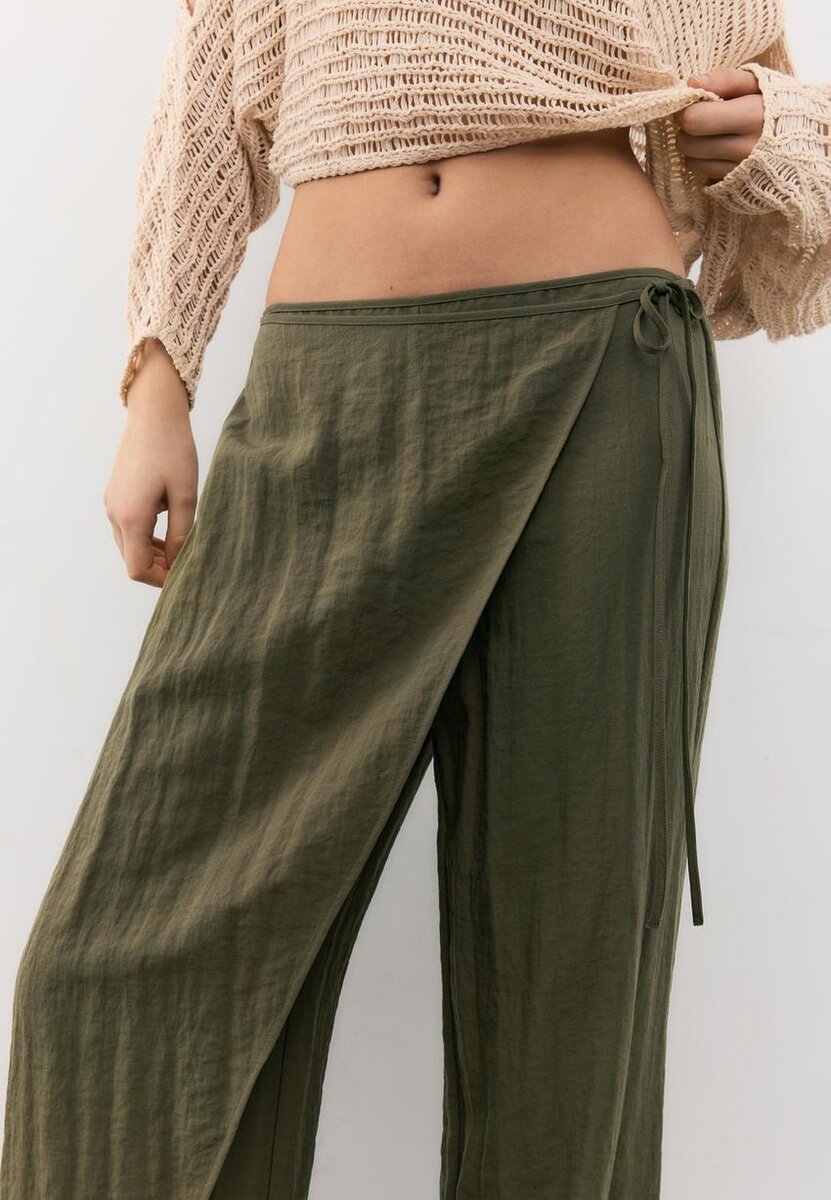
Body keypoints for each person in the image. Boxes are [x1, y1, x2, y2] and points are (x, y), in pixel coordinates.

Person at [2, 2, 830, 1198]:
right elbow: (212, 81)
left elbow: (761, 97)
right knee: (108, 967)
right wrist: (157, 378)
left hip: (603, 377)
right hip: (327, 389)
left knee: (568, 961)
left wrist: (775, 129)